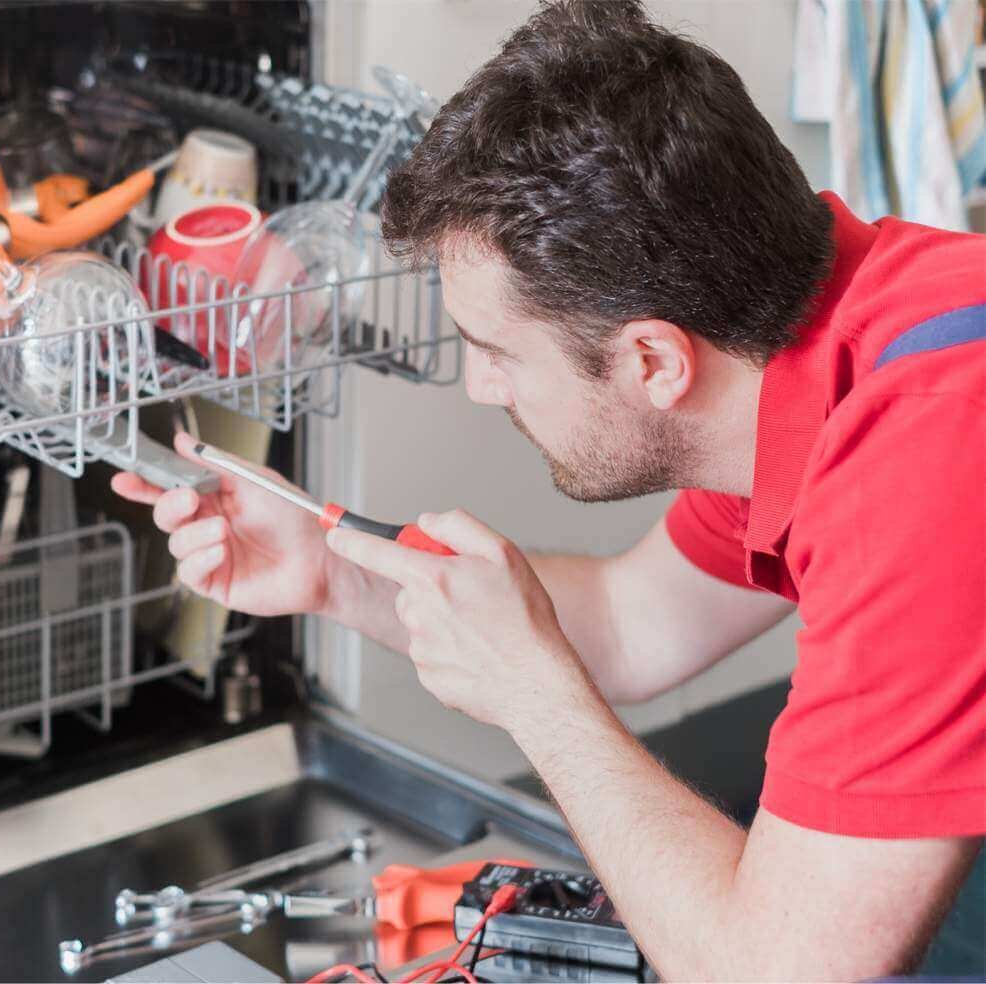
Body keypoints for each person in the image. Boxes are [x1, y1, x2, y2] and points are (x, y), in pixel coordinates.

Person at [113, 1, 986, 977]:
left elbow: (779, 968)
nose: (482, 389)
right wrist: (332, 569)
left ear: (655, 361)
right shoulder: (819, 338)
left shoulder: (921, 463)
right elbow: (631, 621)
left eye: (497, 353)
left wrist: (544, 705)